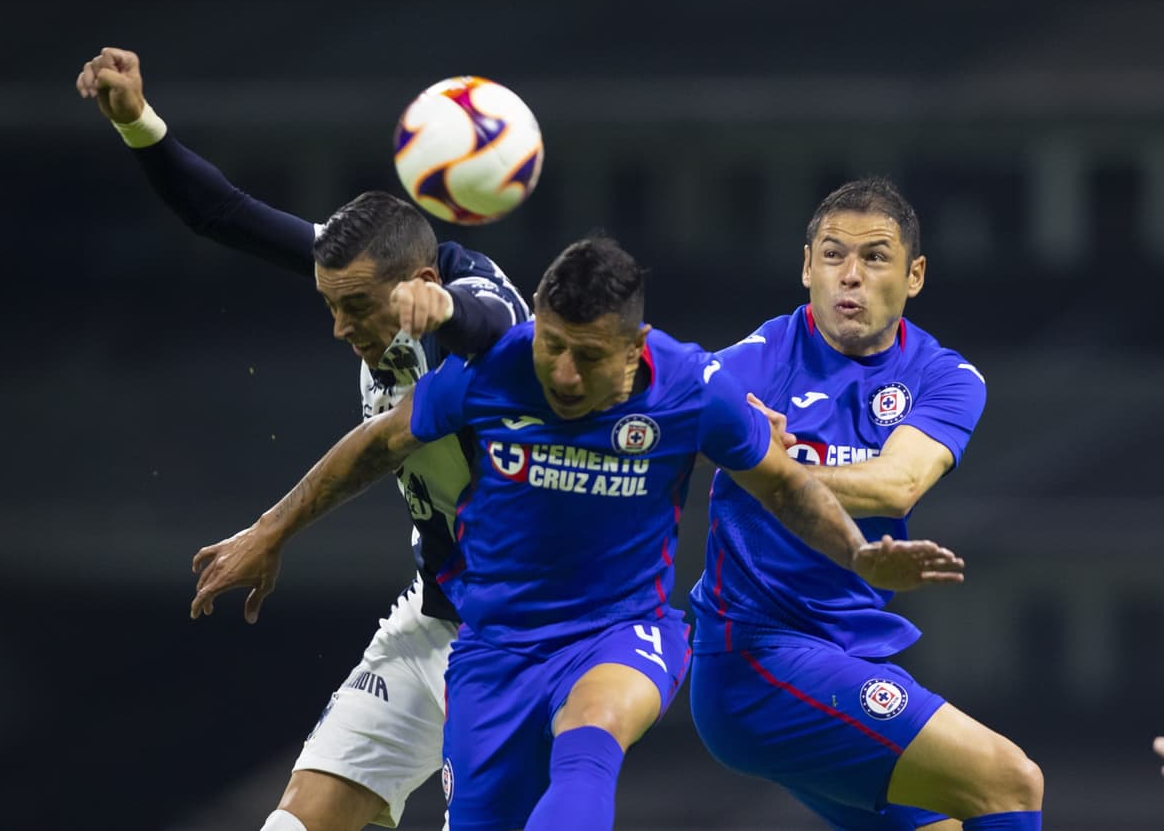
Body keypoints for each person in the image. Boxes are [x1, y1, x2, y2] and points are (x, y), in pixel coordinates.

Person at [191, 235, 967, 831]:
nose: (562, 373)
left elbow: (785, 483)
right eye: (551, 345)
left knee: (591, 732)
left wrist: (859, 553)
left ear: (635, 349)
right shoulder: (495, 368)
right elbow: (378, 444)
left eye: (587, 357)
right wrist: (271, 528)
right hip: (494, 650)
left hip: (623, 630)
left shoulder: (693, 388)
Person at [76, 47, 531, 831]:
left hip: (520, 641)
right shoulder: (370, 263)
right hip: (435, 616)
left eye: (354, 307)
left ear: (420, 282)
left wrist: (448, 314)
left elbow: (492, 331)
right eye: (330, 303)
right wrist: (136, 122)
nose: (338, 326)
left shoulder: (474, 313)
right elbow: (223, 213)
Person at [688, 177, 1043, 830]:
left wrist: (764, 459)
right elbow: (644, 415)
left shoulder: (944, 376)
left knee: (952, 822)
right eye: (831, 254)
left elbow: (897, 482)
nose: (849, 274)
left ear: (915, 275)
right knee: (1010, 780)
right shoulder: (750, 364)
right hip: (755, 660)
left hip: (846, 660)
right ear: (806, 266)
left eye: (875, 257)